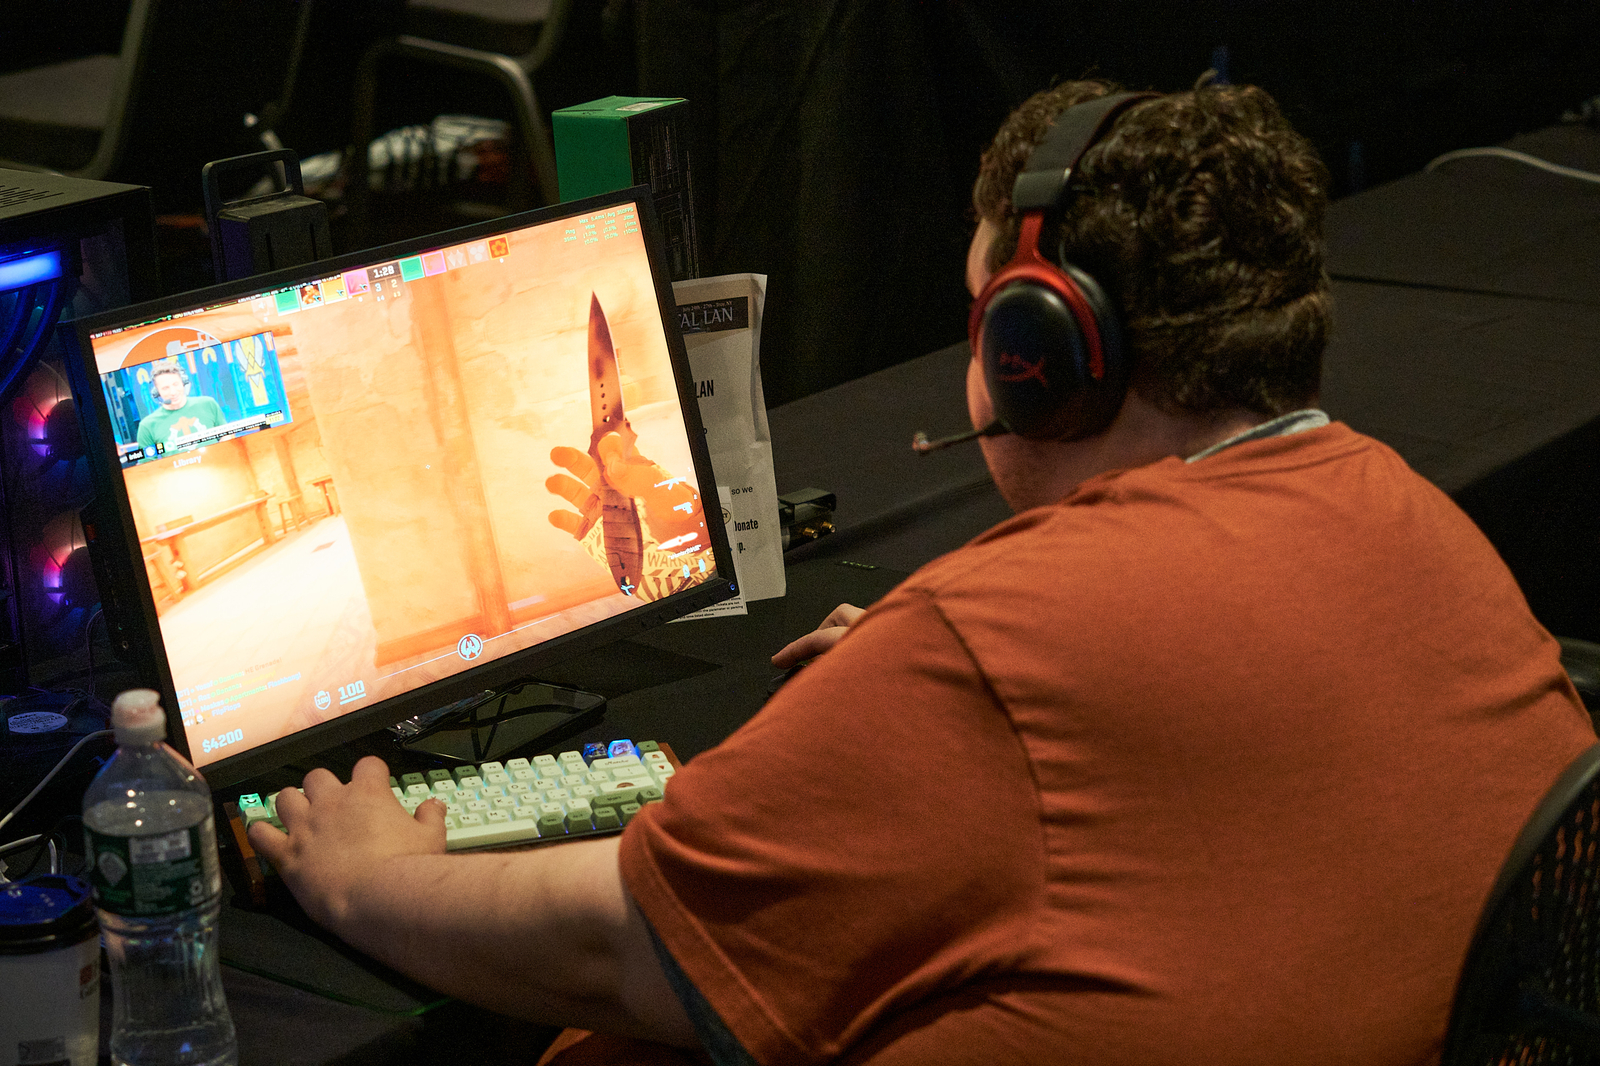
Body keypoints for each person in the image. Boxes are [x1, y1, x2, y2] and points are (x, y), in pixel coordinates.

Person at [247, 78, 1596, 1066]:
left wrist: (369, 876)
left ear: (1040, 355)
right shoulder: (1406, 512)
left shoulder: (998, 642)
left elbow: (624, 946)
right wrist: (927, 696)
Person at [135, 363, 226, 451]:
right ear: (156, 392)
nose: (173, 392)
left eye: (176, 384)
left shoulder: (208, 404)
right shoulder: (147, 426)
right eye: (165, 388)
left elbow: (226, 436)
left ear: (183, 383)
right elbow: (147, 460)